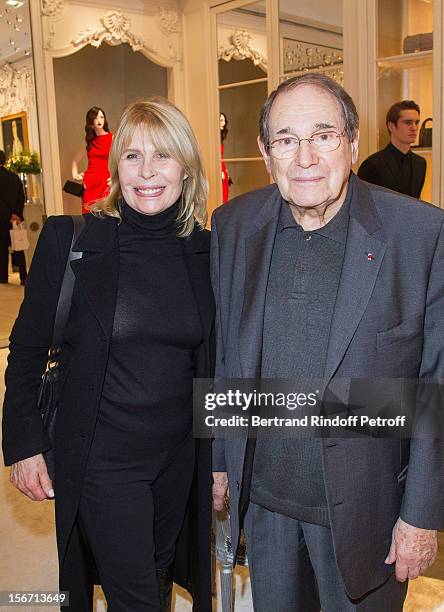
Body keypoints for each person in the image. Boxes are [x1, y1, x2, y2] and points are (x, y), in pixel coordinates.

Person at [211, 73, 444, 611]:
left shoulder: (420, 236)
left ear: (354, 142)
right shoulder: (234, 226)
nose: (306, 157)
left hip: (370, 513)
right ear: (266, 154)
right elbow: (228, 352)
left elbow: (435, 385)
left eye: (323, 134)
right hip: (265, 507)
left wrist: (423, 514)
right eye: (287, 140)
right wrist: (221, 459)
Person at [3, 98, 214, 611]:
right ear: (115, 165)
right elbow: (27, 350)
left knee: (160, 574)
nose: (147, 172)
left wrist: (222, 461)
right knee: (136, 596)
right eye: (133, 156)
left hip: (177, 458)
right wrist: (23, 444)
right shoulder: (70, 240)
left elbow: (212, 362)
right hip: (102, 457)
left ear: (185, 168)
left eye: (162, 156)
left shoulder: (205, 250)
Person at [358, 100, 426, 198]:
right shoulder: (372, 165)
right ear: (391, 126)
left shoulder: (420, 163)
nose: (414, 128)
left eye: (416, 122)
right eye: (408, 123)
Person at [72, 106, 113, 214]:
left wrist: (116, 177)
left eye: (101, 117)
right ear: (91, 121)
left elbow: (121, 160)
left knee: (106, 215)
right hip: (90, 182)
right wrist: (75, 174)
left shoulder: (112, 138)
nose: (99, 121)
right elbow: (75, 161)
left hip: (106, 183)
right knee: (89, 216)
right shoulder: (89, 140)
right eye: (96, 118)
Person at [0, 149, 27, 285]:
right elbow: (21, 198)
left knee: (1, 248)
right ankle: (23, 275)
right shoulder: (14, 177)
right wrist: (17, 214)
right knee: (18, 246)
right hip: (13, 218)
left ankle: (3, 276)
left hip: (0, 219)